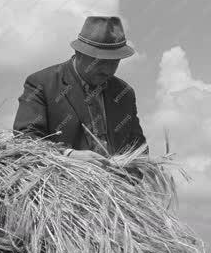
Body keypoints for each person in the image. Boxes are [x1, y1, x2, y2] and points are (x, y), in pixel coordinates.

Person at [14, 16, 146, 165]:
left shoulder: (124, 94)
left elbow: (138, 148)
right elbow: (25, 139)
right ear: (79, 53)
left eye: (115, 62)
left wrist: (127, 166)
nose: (108, 70)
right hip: (63, 184)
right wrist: (68, 155)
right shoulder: (42, 84)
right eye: (101, 61)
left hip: (117, 185)